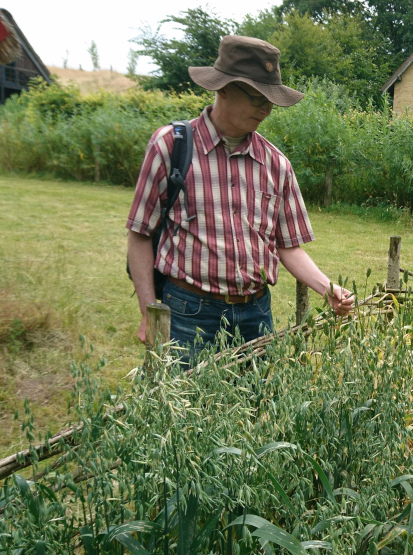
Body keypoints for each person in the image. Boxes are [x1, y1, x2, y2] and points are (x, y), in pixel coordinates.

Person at [126, 35, 354, 363]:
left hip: (255, 316)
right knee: (186, 408)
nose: (267, 109)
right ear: (223, 88)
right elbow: (139, 234)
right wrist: (149, 312)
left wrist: (328, 288)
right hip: (187, 314)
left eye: (271, 99)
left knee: (251, 409)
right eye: (258, 97)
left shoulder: (276, 164)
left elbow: (288, 246)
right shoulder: (170, 147)